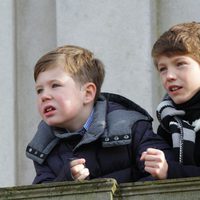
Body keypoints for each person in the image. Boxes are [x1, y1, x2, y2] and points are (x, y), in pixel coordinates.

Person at [26, 45, 173, 184]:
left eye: (55, 85)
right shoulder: (43, 145)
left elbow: (162, 176)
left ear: (88, 93)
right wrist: (65, 181)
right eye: (39, 90)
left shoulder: (130, 127)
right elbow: (41, 192)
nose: (44, 96)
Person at [141, 22, 200, 179]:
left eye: (180, 64)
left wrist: (170, 171)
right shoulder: (168, 123)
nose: (169, 76)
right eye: (163, 69)